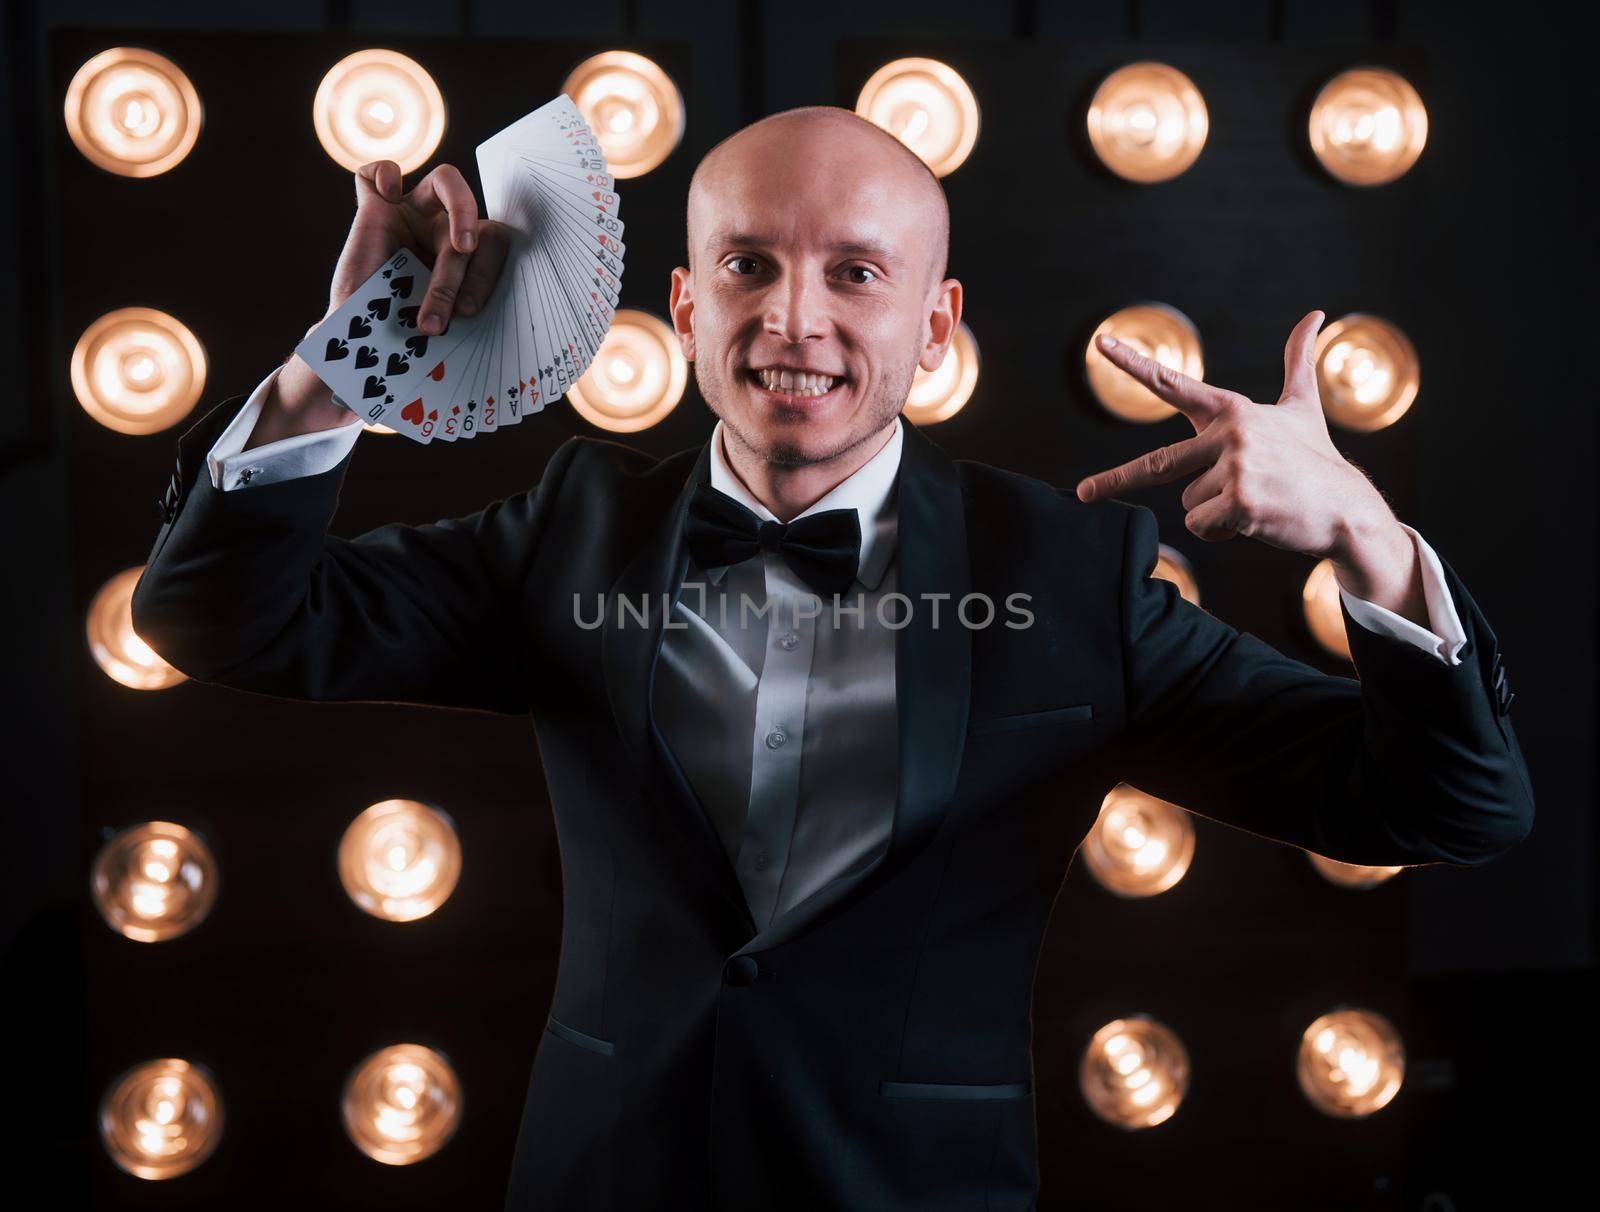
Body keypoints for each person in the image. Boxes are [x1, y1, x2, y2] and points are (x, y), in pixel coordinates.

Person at [131, 105, 1534, 1210]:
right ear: (683, 310)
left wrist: (1371, 538)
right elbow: (217, 617)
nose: (794, 317)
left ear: (934, 328)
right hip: (611, 1182)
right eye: (748, 264)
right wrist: (338, 365)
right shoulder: (571, 527)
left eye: (855, 273)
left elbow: (1448, 807)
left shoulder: (1066, 576)